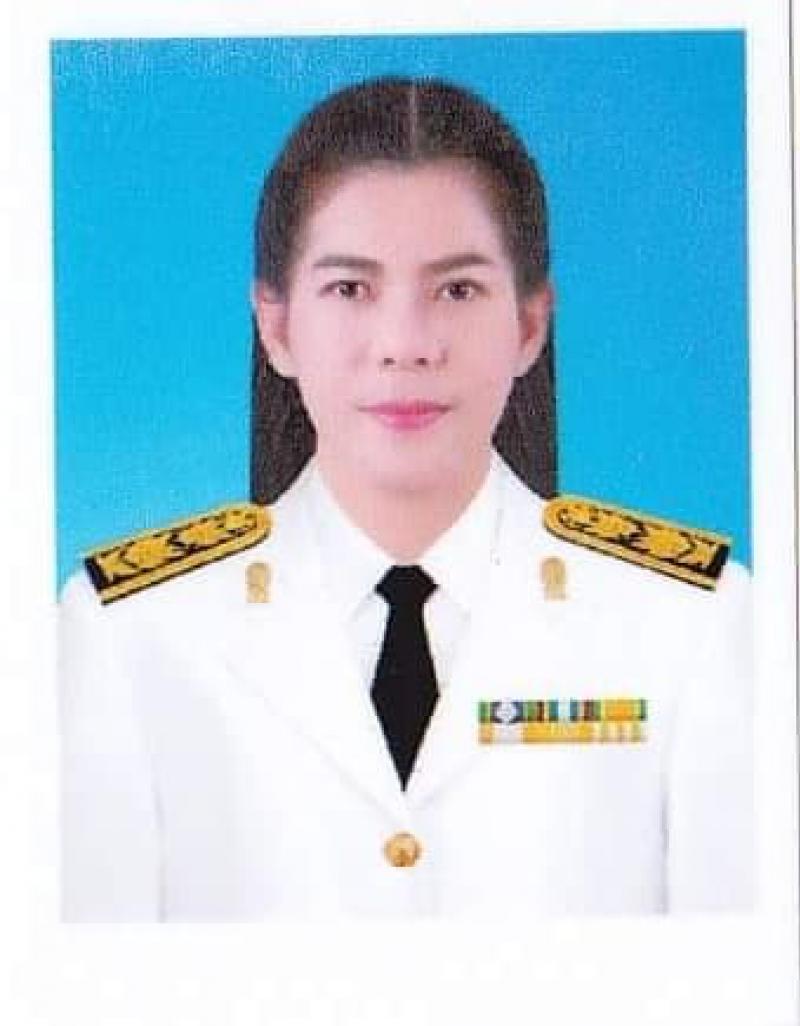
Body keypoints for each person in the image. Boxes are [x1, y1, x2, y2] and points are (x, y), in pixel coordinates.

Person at [59, 76, 752, 920]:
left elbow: (741, 975)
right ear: (276, 326)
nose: (405, 344)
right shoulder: (132, 633)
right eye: (350, 289)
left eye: (457, 290)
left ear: (530, 325)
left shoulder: (689, 623)